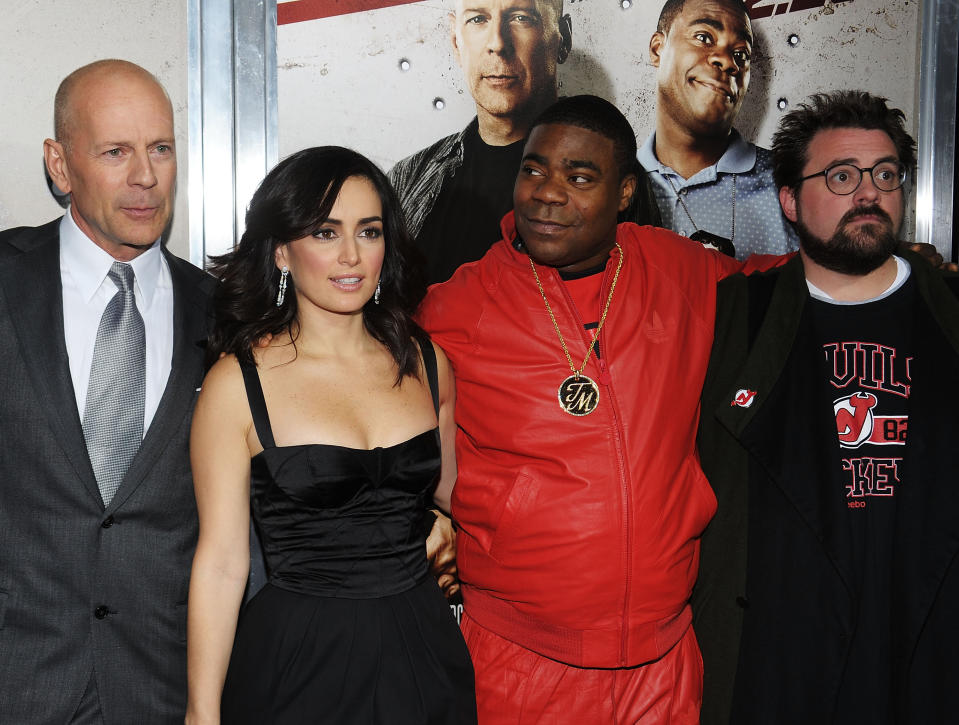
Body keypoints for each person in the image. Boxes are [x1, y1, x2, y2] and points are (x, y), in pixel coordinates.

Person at [418, 94, 778, 723]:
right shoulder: (458, 305)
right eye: (533, 170)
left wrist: (901, 264)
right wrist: (424, 513)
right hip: (520, 663)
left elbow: (793, 287)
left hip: (662, 665)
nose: (547, 194)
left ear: (624, 193)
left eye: (579, 177)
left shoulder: (680, 270)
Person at [185, 146, 477, 724]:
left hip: (422, 652)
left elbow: (460, 496)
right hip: (297, 664)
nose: (351, 256)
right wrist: (202, 713)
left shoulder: (426, 362)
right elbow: (221, 563)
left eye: (369, 232)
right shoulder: (236, 384)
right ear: (282, 252)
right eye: (325, 232)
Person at [693, 90, 959, 724]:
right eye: (842, 175)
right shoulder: (734, 320)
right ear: (789, 200)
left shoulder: (952, 315)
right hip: (781, 663)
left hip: (933, 653)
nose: (869, 192)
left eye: (886, 174)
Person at [0, 60, 215, 723]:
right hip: (20, 684)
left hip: (164, 691)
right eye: (116, 152)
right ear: (59, 166)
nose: (145, 177)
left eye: (160, 149)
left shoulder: (227, 316)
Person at [389, 0, 572, 284]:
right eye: (477, 20)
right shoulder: (408, 179)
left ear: (563, 39)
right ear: (455, 41)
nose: (498, 43)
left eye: (521, 18)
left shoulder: (609, 176)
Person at [639, 0, 798, 259]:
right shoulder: (616, 184)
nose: (727, 61)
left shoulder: (790, 183)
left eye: (741, 55)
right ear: (658, 49)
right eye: (704, 37)